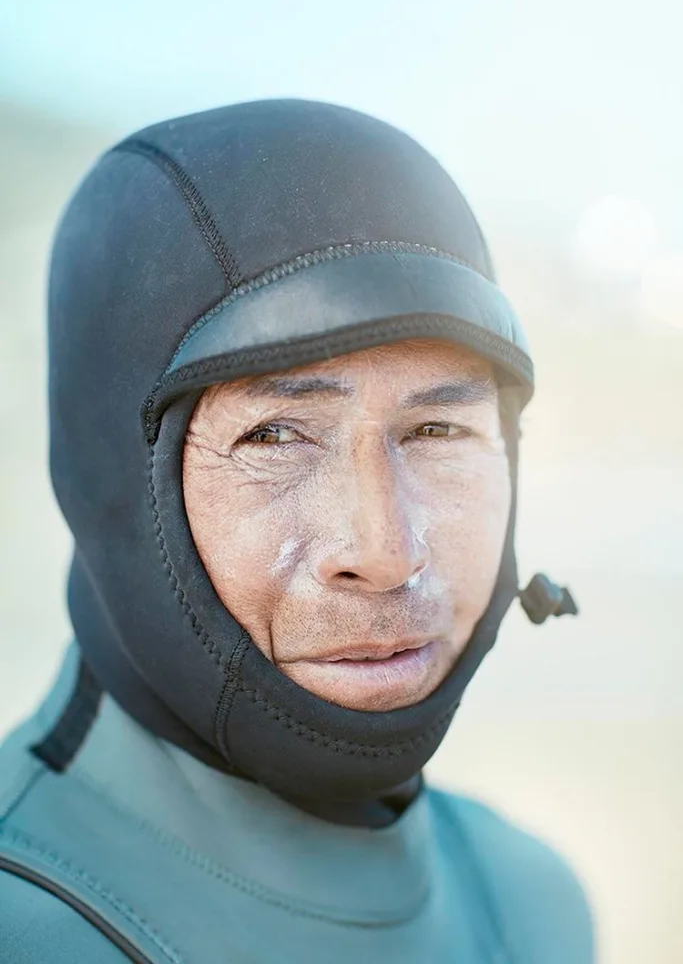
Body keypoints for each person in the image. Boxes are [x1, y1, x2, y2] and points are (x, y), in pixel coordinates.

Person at [0, 99, 591, 963]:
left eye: (437, 430)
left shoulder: (532, 902)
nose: (386, 553)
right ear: (113, 485)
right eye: (273, 437)